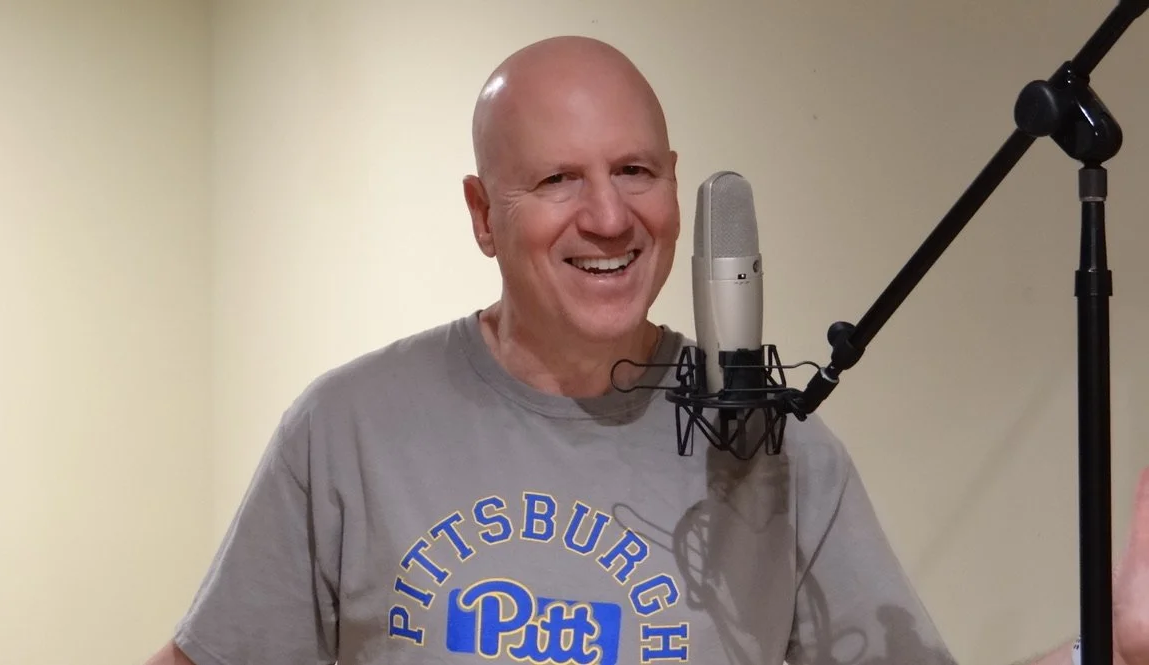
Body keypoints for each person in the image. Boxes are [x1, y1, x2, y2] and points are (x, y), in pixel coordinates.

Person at [144, 36, 1149, 665]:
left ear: (678, 182)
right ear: (481, 213)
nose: (610, 216)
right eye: (557, 180)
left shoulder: (783, 451)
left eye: (634, 170)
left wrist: (1107, 650)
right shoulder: (349, 428)